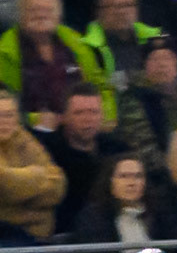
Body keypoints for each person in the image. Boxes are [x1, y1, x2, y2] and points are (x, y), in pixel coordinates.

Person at [0, 0, 115, 129]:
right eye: (33, 10)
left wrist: (106, 116)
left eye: (48, 10)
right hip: (33, 131)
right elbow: (1, 102)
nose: (40, 15)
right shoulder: (5, 52)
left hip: (82, 127)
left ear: (59, 16)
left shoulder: (76, 42)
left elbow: (101, 87)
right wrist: (35, 119)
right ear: (20, 15)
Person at [0, 89, 66, 239]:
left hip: (40, 237)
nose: (3, 121)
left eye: (9, 115)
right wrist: (37, 175)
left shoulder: (24, 140)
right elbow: (2, 185)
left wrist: (19, 191)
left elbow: (58, 185)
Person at [36, 83, 128, 234]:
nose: (87, 119)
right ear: (64, 117)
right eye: (79, 113)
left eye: (93, 112)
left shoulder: (118, 151)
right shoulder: (46, 152)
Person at [115, 35, 177, 169]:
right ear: (145, 65)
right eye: (154, 59)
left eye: (167, 58)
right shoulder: (133, 98)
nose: (161, 64)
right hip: (161, 170)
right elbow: (142, 146)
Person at [72, 153, 157, 243]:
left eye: (138, 176)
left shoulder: (158, 214)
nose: (131, 183)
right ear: (110, 181)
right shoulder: (92, 218)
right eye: (124, 176)